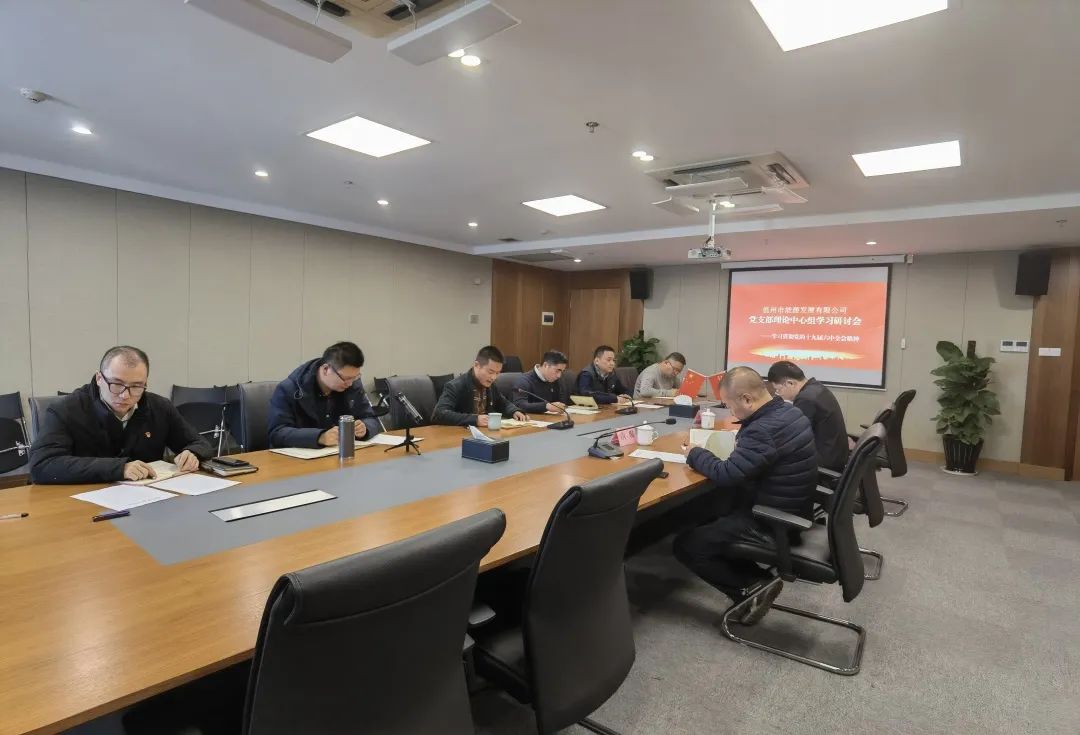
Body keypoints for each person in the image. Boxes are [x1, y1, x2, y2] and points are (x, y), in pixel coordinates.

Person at [673, 367, 817, 624]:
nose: (731, 413)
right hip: (794, 508)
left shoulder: (763, 429)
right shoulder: (789, 411)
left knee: (687, 544)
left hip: (772, 520)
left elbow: (727, 473)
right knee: (711, 511)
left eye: (730, 406)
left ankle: (752, 586)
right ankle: (755, 581)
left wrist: (695, 453)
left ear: (747, 399)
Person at [29, 346, 212, 484]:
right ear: (99, 379)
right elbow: (43, 465)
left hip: (146, 498)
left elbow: (200, 443)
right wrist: (119, 468)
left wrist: (192, 453)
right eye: (116, 384)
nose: (125, 395)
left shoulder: (159, 407)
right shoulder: (66, 409)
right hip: (81, 498)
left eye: (136, 386)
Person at [268, 341, 381, 449]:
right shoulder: (289, 389)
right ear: (325, 369)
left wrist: (365, 428)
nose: (350, 383)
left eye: (355, 377)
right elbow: (277, 433)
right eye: (345, 378)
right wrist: (319, 437)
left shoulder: (352, 385)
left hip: (341, 453)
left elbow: (371, 418)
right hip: (300, 458)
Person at [767, 360, 848, 472]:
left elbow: (794, 437)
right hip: (833, 455)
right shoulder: (816, 387)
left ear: (790, 383)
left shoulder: (805, 399)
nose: (779, 394)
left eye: (778, 390)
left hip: (824, 463)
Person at [432, 345, 528, 427]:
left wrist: (514, 411)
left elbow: (503, 403)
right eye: (490, 372)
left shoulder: (490, 385)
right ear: (477, 365)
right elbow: (439, 414)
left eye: (497, 373)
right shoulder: (455, 386)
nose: (493, 377)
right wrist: (475, 419)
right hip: (459, 435)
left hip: (485, 433)